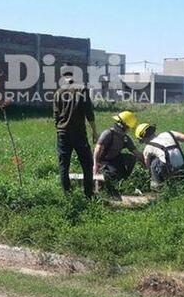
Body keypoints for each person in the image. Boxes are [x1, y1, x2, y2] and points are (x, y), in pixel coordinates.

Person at [53, 66, 98, 198]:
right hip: (79, 133)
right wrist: (94, 132)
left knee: (64, 165)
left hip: (63, 133)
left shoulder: (58, 93)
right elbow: (89, 113)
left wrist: (60, 129)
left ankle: (67, 196)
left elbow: (56, 116)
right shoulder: (81, 90)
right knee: (87, 163)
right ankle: (88, 194)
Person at [134, 123, 184, 190]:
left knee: (153, 163)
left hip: (170, 171)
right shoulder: (169, 133)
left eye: (141, 141)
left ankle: (157, 185)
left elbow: (147, 165)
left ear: (143, 138)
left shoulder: (148, 148)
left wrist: (149, 174)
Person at [92, 111, 142, 197]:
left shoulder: (125, 138)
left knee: (131, 159)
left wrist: (145, 162)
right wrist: (95, 164)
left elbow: (136, 152)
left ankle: (123, 178)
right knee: (111, 174)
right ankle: (105, 183)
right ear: (123, 126)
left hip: (114, 159)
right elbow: (97, 149)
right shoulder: (108, 134)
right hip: (103, 160)